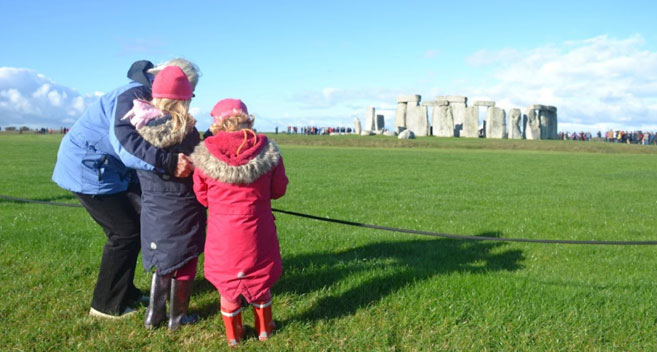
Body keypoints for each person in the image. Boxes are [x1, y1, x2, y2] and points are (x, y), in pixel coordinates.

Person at [51, 58, 200, 319]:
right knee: (124, 233)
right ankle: (106, 305)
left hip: (111, 169)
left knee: (138, 226)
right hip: (88, 168)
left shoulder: (149, 96)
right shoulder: (132, 96)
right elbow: (125, 144)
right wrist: (168, 163)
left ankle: (125, 291)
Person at [190, 98, 288, 346]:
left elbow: (202, 196)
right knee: (260, 278)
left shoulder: (205, 154)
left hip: (223, 231)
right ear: (247, 119)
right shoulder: (267, 150)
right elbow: (278, 189)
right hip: (258, 227)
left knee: (227, 284)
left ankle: (234, 336)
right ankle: (265, 329)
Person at [121, 65, 206, 330]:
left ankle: (153, 316)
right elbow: (197, 164)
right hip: (183, 207)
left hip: (154, 209)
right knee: (185, 262)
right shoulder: (186, 131)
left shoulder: (141, 128)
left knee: (163, 262)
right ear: (184, 99)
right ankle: (177, 318)